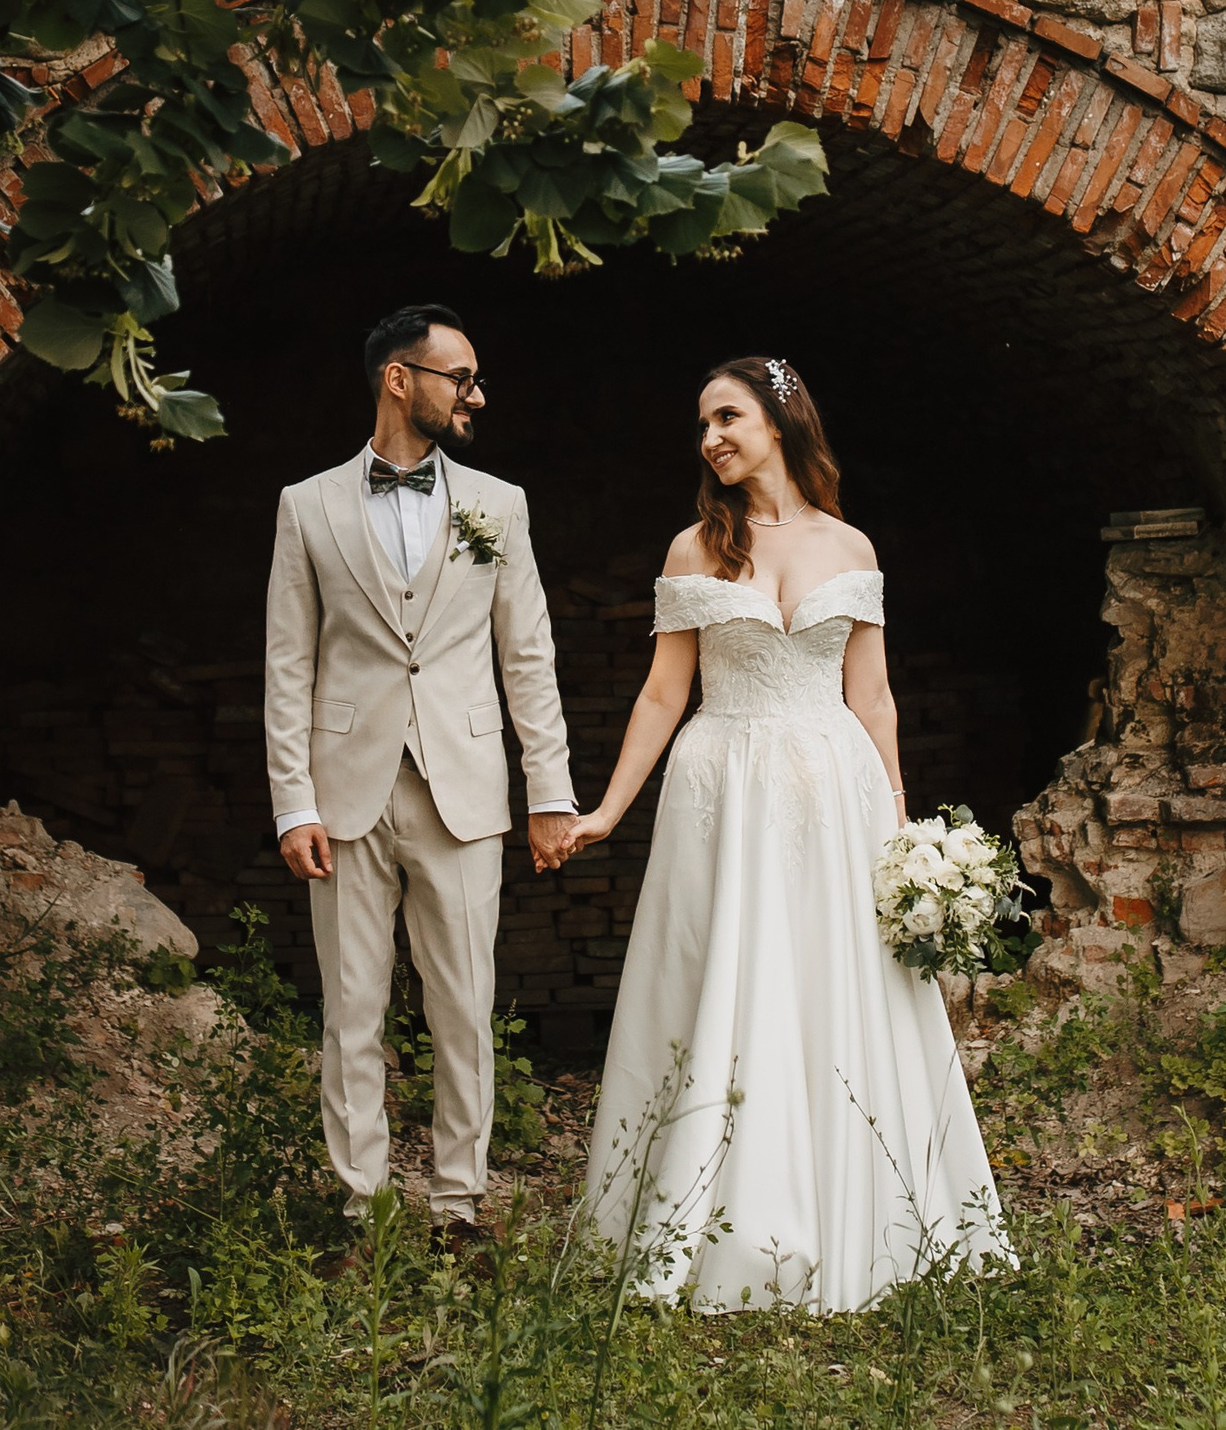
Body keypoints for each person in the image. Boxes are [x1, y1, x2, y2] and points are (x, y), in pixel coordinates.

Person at [565, 356, 1015, 1313]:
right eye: (702, 425)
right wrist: (607, 808)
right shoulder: (694, 547)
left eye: (727, 417)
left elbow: (874, 696)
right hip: (723, 784)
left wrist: (901, 822)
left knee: (832, 982)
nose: (711, 439)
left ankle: (864, 1217)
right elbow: (663, 693)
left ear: (779, 419)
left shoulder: (850, 546)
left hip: (834, 790)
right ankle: (718, 1220)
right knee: (729, 977)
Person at [263, 304, 578, 1266]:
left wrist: (550, 792)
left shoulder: (500, 505)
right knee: (351, 1009)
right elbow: (288, 662)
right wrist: (293, 801)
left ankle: (458, 1208)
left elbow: (528, 656)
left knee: (464, 1005)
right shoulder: (307, 505)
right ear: (399, 380)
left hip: (463, 787)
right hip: (344, 793)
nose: (476, 395)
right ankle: (359, 1213)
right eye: (460, 377)